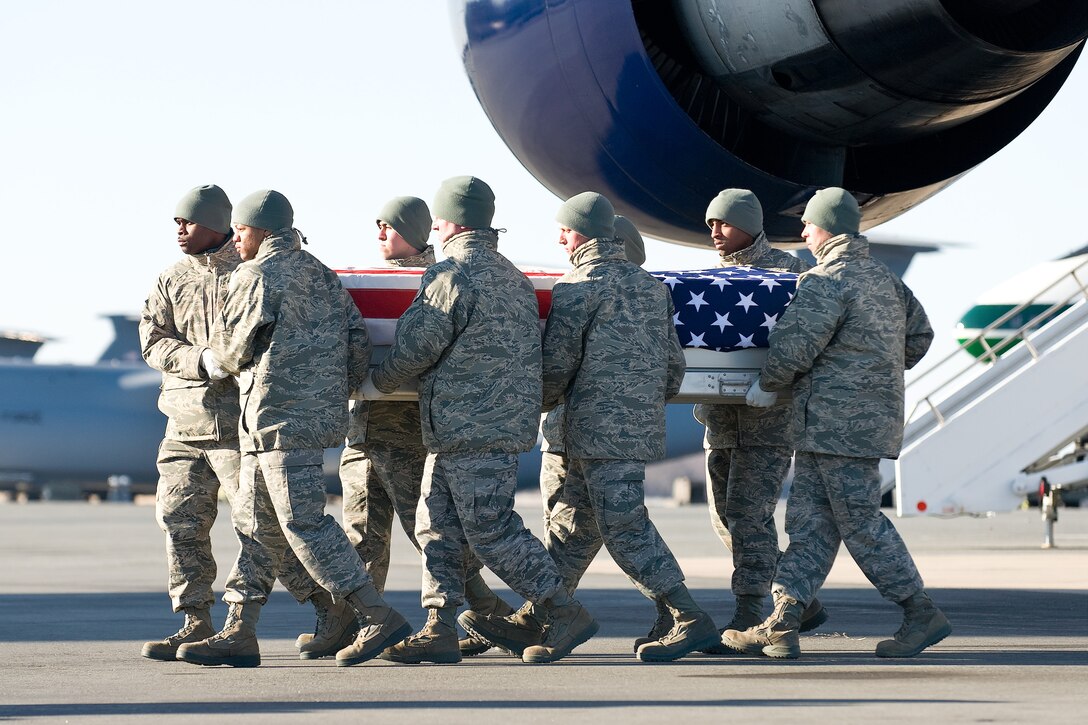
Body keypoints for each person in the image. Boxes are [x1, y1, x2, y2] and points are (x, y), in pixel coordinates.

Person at [465, 193, 717, 662]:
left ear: (581, 232)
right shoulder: (650, 286)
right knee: (571, 527)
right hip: (626, 428)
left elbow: (558, 365)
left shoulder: (578, 286)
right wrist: (637, 406)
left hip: (592, 429)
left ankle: (688, 615)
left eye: (564, 229)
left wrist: (528, 406)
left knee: (623, 526)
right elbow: (673, 366)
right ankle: (538, 617)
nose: (560, 237)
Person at [176, 190, 411, 668]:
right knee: (257, 527)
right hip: (305, 419)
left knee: (304, 522)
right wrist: (326, 394)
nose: (237, 240)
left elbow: (227, 351)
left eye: (240, 231)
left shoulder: (255, 275)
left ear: (260, 230)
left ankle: (374, 614)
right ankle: (239, 630)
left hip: (276, 421)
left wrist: (203, 361)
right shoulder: (322, 274)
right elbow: (356, 342)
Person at [370, 176, 597, 665]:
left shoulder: (452, 275)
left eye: (437, 217)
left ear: (449, 221)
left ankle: (561, 609)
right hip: (478, 427)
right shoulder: (512, 277)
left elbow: (416, 346)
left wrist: (375, 381)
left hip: (469, 427)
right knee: (437, 527)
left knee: (490, 527)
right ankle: (439, 624)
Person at [723, 187, 950, 659]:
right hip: (855, 423)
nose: (803, 231)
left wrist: (768, 384)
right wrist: (874, 371)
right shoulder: (885, 281)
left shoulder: (827, 279)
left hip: (834, 424)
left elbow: (795, 345)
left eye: (808, 223)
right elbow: (920, 336)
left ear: (826, 226)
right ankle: (783, 621)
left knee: (860, 522)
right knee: (811, 524)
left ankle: (919, 611)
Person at [299, 196, 514, 661]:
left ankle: (489, 613)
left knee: (430, 534)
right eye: (376, 226)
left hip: (408, 433)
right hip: (364, 430)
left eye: (389, 227)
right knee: (360, 534)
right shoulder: (368, 283)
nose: (379, 234)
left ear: (417, 232)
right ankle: (353, 623)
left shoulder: (442, 279)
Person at [139, 185, 324, 661]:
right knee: (180, 522)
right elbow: (152, 339)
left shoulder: (252, 271)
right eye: (176, 223)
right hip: (182, 425)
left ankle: (327, 604)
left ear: (220, 224)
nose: (179, 231)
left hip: (238, 427)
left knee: (261, 529)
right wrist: (199, 360)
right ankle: (194, 620)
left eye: (188, 222)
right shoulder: (171, 278)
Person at [685, 189, 827, 655]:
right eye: (710, 224)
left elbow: (808, 337)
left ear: (749, 222)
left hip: (768, 420)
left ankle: (751, 609)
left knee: (749, 516)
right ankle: (797, 601)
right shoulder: (709, 278)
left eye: (723, 223)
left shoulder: (792, 273)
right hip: (719, 419)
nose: (715, 233)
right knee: (726, 518)